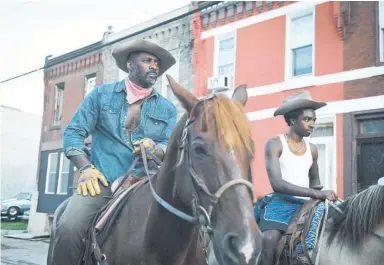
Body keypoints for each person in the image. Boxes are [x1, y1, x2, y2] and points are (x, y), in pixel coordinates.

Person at [50, 39, 177, 265]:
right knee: (69, 226)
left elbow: (169, 147)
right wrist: (85, 168)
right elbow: (73, 133)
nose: (154, 67)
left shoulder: (167, 109)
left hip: (147, 183)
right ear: (130, 64)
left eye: (157, 63)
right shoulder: (101, 96)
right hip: (102, 180)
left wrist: (155, 148)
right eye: (147, 60)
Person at [255, 91, 338, 265]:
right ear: (293, 121)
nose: (312, 124)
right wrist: (318, 194)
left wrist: (320, 196)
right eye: (307, 119)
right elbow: (277, 184)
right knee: (269, 239)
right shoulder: (275, 143)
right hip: (281, 203)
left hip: (307, 205)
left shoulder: (312, 149)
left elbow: (315, 183)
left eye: (313, 120)